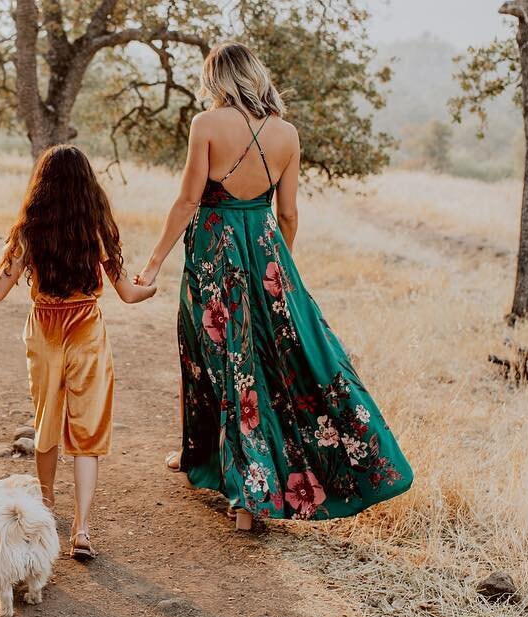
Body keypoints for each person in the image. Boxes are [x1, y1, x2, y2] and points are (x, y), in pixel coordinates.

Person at [135, 42, 412, 531]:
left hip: (214, 250)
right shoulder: (287, 134)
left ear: (218, 79)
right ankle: (232, 480)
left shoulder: (206, 125)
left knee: (221, 360)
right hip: (267, 253)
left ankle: (243, 491)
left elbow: (186, 203)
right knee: (271, 362)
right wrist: (277, 270)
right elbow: (287, 213)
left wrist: (154, 262)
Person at [0, 144, 156, 560]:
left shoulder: (30, 230)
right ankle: (82, 529)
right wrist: (150, 286)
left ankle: (46, 511)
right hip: (86, 328)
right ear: (87, 186)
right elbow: (128, 293)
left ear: (42, 185)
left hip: (44, 330)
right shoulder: (96, 230)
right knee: (87, 431)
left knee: (46, 421)